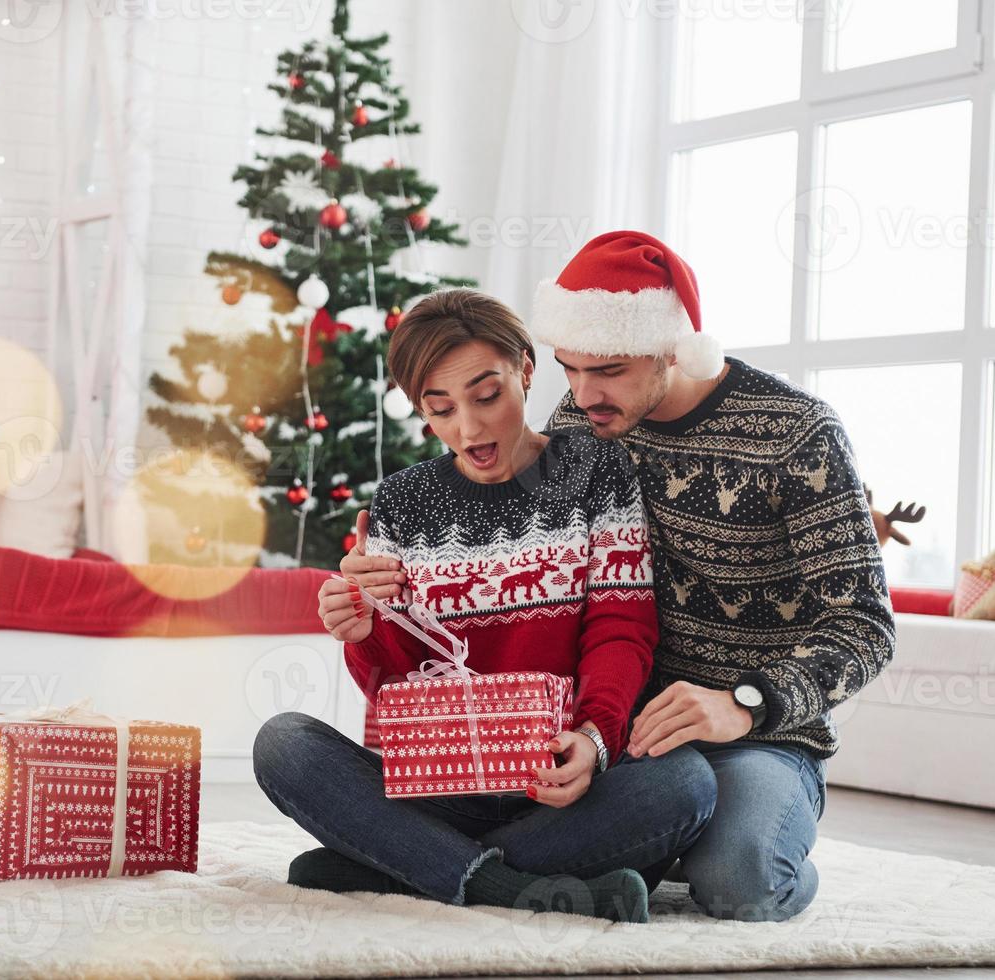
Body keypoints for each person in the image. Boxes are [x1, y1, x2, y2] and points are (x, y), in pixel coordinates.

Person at [343, 232, 896, 922]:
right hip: (622, 729)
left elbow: (865, 627)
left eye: (607, 370)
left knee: (740, 881)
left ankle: (417, 861)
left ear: (672, 346)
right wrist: (384, 597)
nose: (582, 394)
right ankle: (506, 864)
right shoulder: (582, 420)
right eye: (568, 369)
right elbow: (521, 578)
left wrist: (744, 701)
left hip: (755, 731)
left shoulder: (796, 433)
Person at [252, 288, 718, 923]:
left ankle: (403, 866)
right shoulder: (402, 501)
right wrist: (364, 630)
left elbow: (621, 630)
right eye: (439, 409)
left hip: (562, 783)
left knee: (684, 784)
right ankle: (506, 886)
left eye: (487, 395)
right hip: (443, 784)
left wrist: (592, 739)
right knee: (283, 744)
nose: (468, 429)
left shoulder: (596, 472)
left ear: (526, 370)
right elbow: (397, 680)